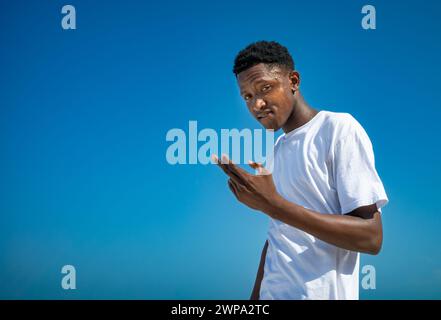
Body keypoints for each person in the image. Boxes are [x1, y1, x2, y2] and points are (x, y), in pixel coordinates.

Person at [213, 40, 389, 300]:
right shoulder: (276, 151)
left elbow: (371, 237)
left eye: (265, 88)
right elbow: (279, 236)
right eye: (248, 96)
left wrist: (273, 205)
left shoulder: (338, 128)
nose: (256, 105)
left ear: (293, 81)